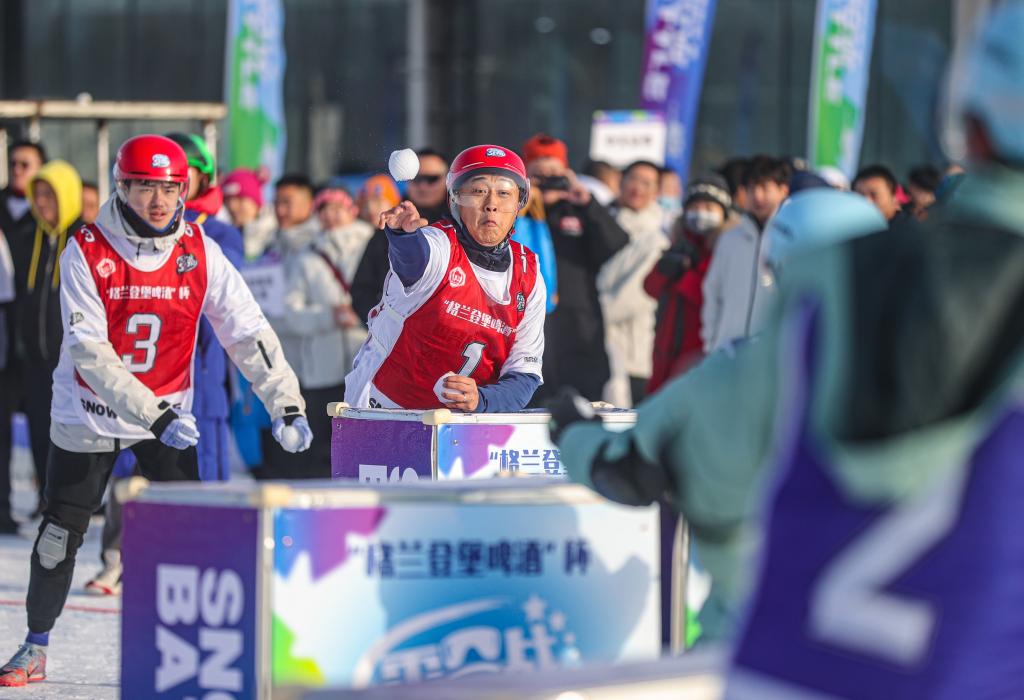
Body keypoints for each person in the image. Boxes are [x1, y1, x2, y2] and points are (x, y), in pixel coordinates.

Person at [558, 6, 1024, 694]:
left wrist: (568, 429)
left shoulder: (835, 287)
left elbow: (658, 461)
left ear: (972, 127)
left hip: (802, 671)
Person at [0, 134, 310, 687]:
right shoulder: (86, 249)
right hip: (89, 411)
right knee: (58, 535)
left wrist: (285, 401)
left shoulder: (200, 250)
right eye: (144, 186)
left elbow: (247, 331)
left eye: (170, 187)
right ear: (121, 187)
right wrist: (156, 414)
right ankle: (35, 644)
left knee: (192, 528)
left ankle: (204, 643)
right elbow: (90, 353)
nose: (159, 200)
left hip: (169, 414)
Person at [549, 188, 886, 644]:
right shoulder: (946, 371)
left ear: (780, 268)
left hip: (752, 632)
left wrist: (572, 429)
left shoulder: (734, 377)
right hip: (895, 642)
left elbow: (626, 470)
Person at [344, 145, 545, 413]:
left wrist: (482, 400)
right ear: (455, 198)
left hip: (463, 423)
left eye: (504, 193)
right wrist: (403, 236)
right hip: (384, 410)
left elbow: (524, 374)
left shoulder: (529, 273)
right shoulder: (438, 244)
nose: (492, 204)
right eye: (478, 191)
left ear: (520, 202)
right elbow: (414, 259)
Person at [268, 186, 373, 477]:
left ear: (352, 209)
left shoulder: (373, 244)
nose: (331, 215)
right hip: (321, 368)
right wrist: (328, 317)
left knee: (361, 444)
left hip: (366, 362)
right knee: (320, 446)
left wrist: (362, 312)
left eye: (338, 207)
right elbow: (292, 312)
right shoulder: (307, 256)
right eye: (324, 209)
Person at [520, 134, 629, 403]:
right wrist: (524, 200)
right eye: (539, 175)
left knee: (583, 401)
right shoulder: (516, 214)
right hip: (529, 323)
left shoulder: (578, 209)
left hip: (578, 324)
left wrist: (586, 201)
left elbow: (616, 243)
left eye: (554, 174)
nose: (547, 181)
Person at [165, 132, 245, 481]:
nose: (174, 184)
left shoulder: (220, 234)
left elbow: (215, 297)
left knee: (204, 479)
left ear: (204, 177)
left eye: (185, 173)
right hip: (145, 380)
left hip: (202, 376)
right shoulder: (132, 234)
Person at [17, 160, 83, 518]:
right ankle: (45, 494)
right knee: (40, 432)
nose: (42, 203)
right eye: (38, 195)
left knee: (69, 433)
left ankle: (70, 499)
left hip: (72, 360)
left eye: (49, 195)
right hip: (36, 358)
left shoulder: (84, 238)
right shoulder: (33, 239)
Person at [645, 174, 733, 393]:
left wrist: (685, 276)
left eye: (709, 207)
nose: (700, 213)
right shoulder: (679, 243)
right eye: (695, 207)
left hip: (701, 354)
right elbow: (649, 288)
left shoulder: (727, 251)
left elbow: (711, 295)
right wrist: (664, 270)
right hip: (666, 352)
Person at [0, 140, 46, 536]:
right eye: (13, 163)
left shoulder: (48, 216)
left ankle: (50, 504)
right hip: (4, 337)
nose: (17, 170)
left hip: (40, 341)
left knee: (45, 428)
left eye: (25, 164)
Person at [701, 155, 790, 352]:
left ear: (783, 190)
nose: (757, 196)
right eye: (751, 189)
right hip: (728, 352)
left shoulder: (793, 238)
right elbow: (713, 292)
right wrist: (711, 343)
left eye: (765, 188)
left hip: (771, 354)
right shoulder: (730, 238)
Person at [600, 160, 671, 407]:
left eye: (647, 183)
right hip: (595, 347)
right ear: (621, 181)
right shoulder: (603, 220)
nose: (637, 188)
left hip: (633, 351)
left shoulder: (657, 238)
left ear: (656, 192)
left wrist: (588, 315)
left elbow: (636, 296)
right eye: (633, 179)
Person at [351, 150, 450, 323]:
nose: (423, 186)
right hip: (398, 332)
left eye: (432, 179)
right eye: (417, 179)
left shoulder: (461, 225)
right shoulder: (389, 225)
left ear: (447, 180)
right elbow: (362, 289)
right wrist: (386, 325)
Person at [221, 167, 275, 261]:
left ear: (256, 203)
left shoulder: (276, 236)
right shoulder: (222, 236)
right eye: (227, 200)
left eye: (239, 199)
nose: (232, 206)